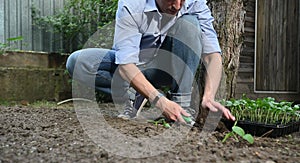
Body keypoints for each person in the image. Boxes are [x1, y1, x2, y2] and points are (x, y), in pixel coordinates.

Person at [66, 0, 235, 125]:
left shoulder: (194, 3)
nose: (177, 6)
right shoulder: (132, 4)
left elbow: (213, 55)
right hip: (132, 67)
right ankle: (135, 93)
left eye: (182, 0)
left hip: (166, 69)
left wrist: (209, 96)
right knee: (77, 62)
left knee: (190, 24)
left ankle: (181, 106)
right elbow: (125, 65)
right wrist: (160, 101)